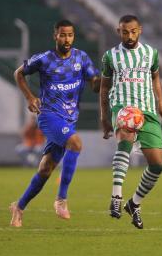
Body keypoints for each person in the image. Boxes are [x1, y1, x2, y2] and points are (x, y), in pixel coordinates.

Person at [10, 20, 100, 227]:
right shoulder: (44, 59)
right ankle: (61, 200)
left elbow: (94, 84)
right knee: (76, 143)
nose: (66, 39)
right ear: (55, 36)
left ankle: (19, 206)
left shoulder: (81, 58)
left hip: (69, 119)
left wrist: (101, 81)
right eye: (62, 35)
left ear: (73, 36)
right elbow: (18, 73)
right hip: (48, 116)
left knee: (45, 169)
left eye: (70, 35)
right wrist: (30, 97)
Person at [100, 15, 162, 229]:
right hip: (122, 108)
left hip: (148, 110)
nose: (129, 36)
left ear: (139, 30)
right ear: (118, 31)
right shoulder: (110, 56)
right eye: (125, 32)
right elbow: (104, 88)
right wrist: (104, 117)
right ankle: (116, 196)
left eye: (133, 31)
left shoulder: (151, 53)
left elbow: (155, 79)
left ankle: (134, 203)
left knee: (158, 164)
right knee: (126, 136)